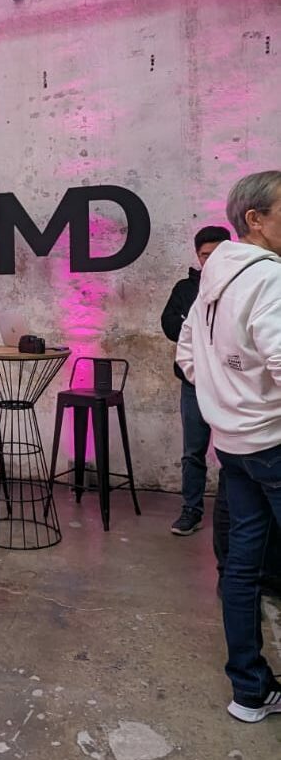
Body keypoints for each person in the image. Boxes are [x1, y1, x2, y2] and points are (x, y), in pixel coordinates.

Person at [177, 169, 281, 724]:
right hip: (272, 443)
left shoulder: (213, 279)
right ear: (255, 219)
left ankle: (250, 691)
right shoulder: (269, 278)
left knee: (241, 568)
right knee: (247, 568)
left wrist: (223, 398)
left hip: (234, 446)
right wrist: (244, 396)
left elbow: (188, 354)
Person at [161, 225, 231, 535]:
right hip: (194, 384)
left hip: (231, 383)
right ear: (197, 256)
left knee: (236, 453)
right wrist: (200, 334)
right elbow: (169, 324)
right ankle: (191, 510)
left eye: (216, 253)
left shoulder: (241, 287)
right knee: (193, 451)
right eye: (205, 255)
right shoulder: (185, 288)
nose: (210, 260)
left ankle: (235, 512)